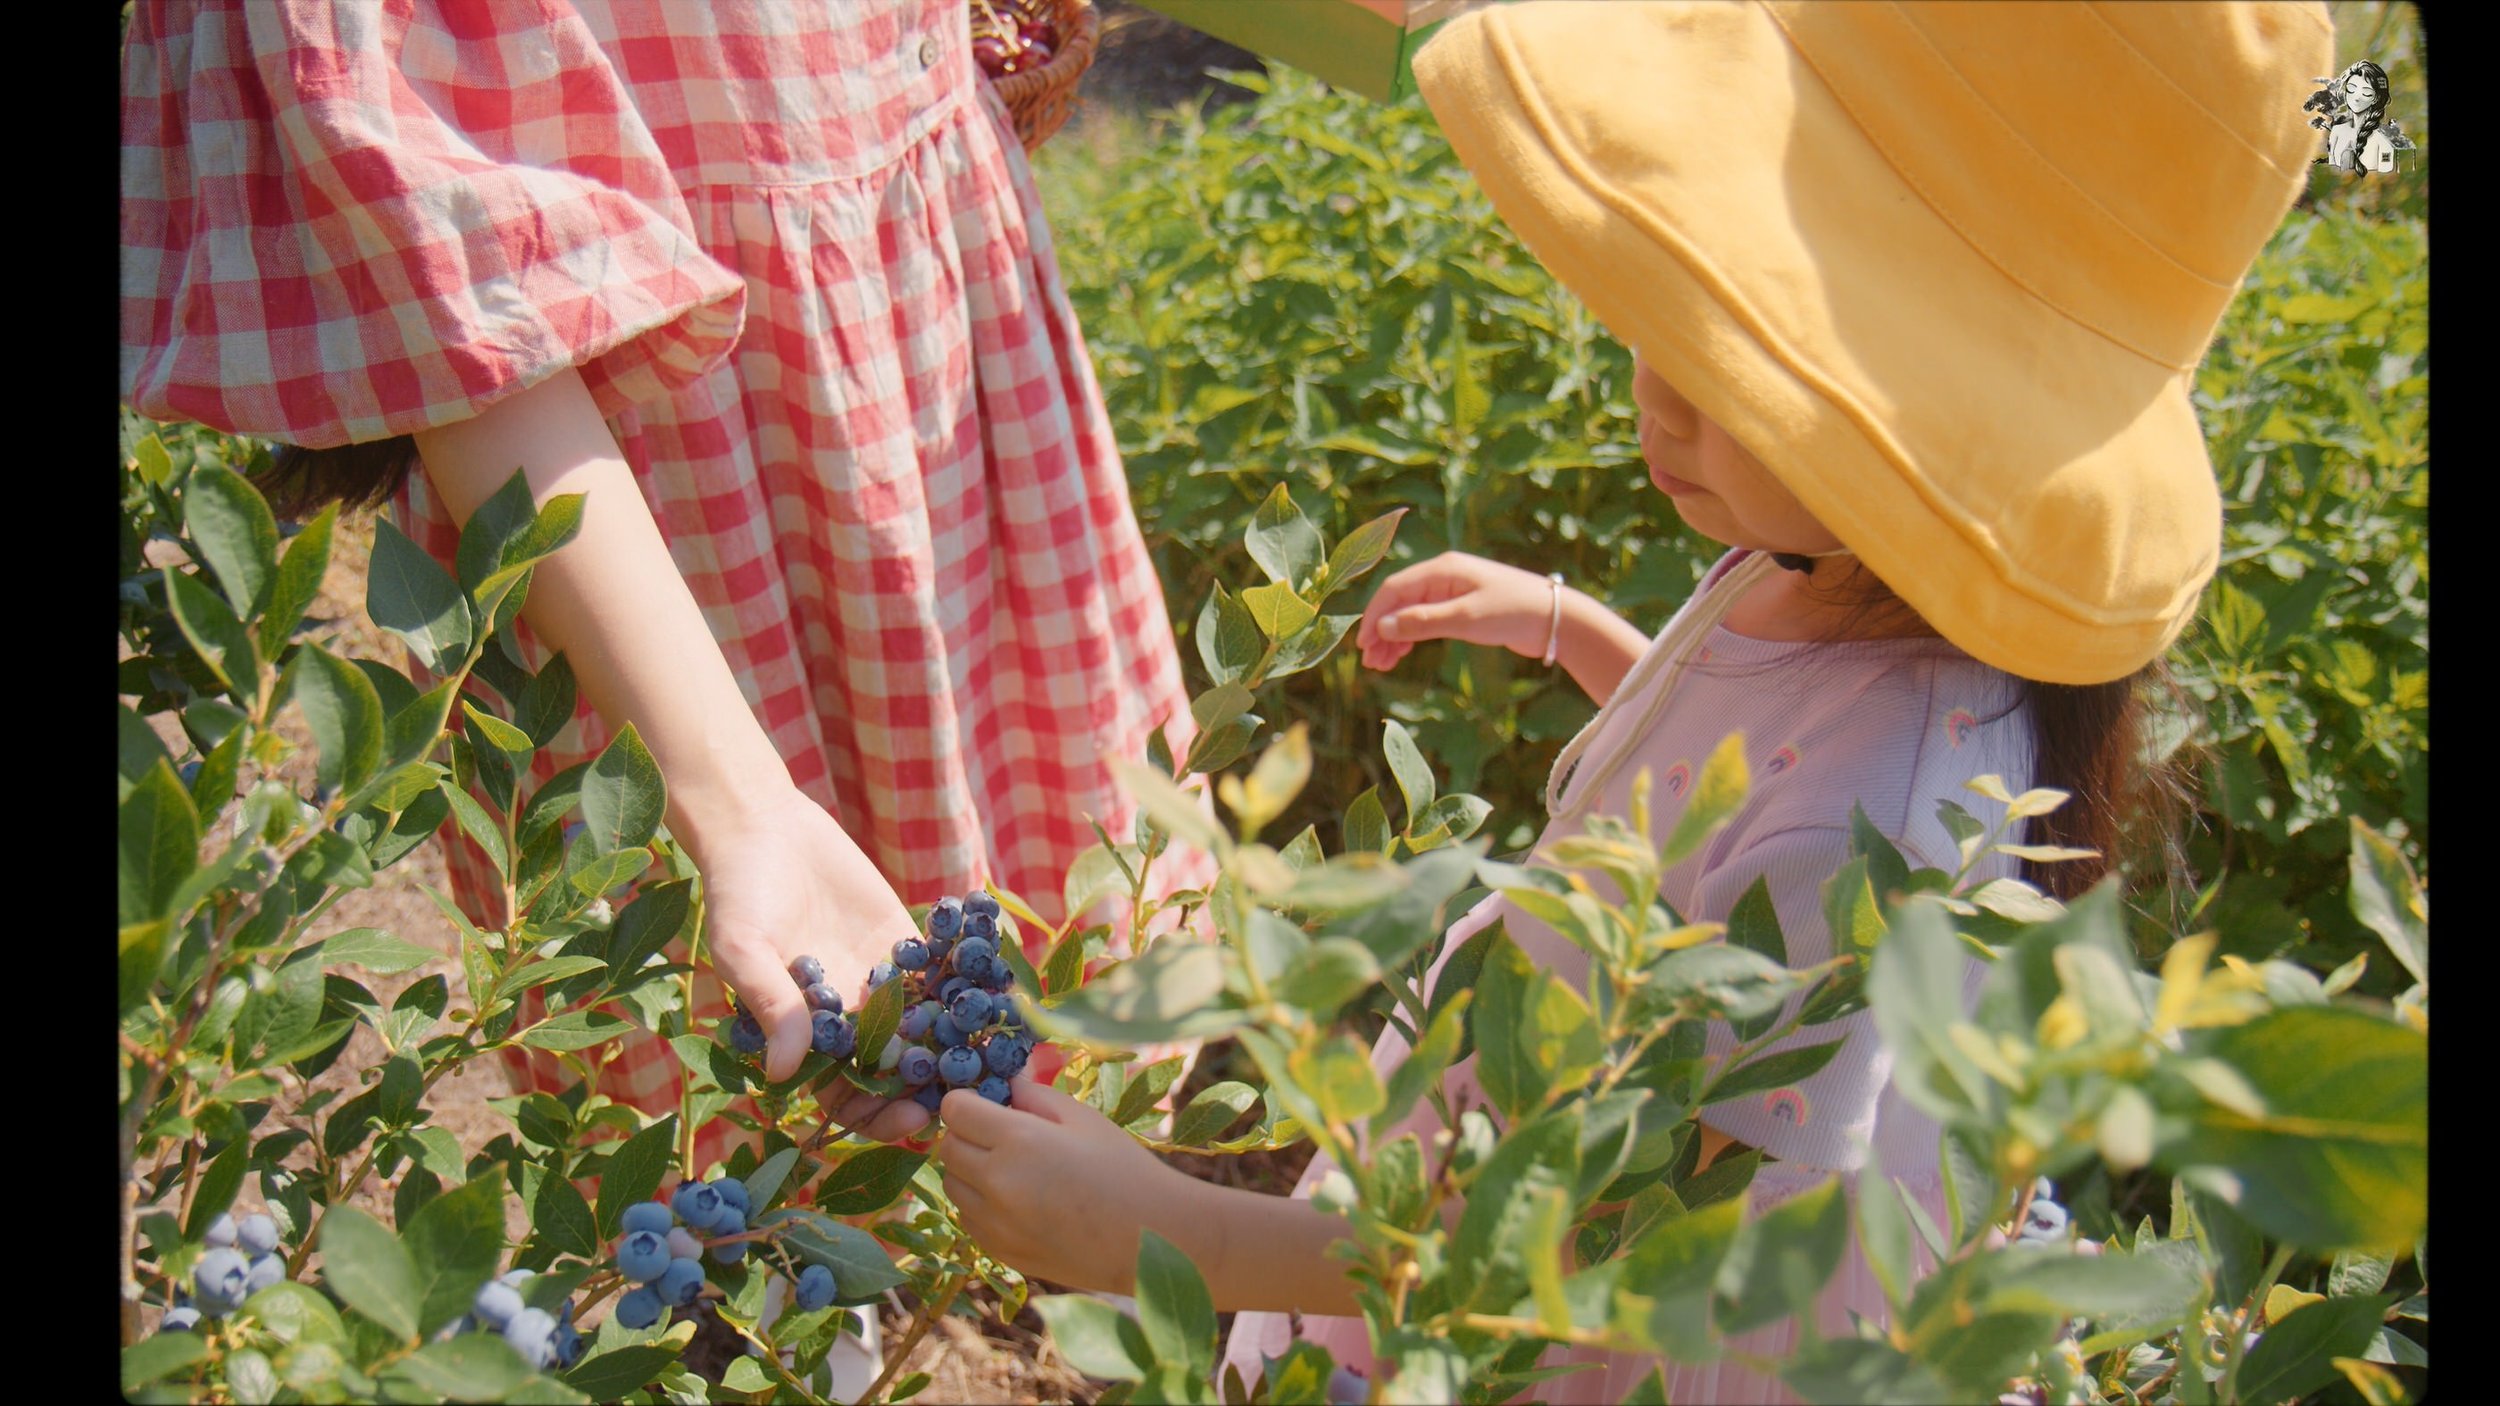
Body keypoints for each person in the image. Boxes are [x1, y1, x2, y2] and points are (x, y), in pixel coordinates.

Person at [930, 2, 2330, 1401]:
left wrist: (1177, 1231)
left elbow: (1625, 1244)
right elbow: (1738, 776)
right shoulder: (1841, 572)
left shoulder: (1875, 827)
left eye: (1741, 358)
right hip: (1515, 1150)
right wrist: (1583, 632)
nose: (1659, 395)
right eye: (1674, 314)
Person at [120, 1, 1210, 1170]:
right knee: (732, 1081)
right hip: (631, 495)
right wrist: (745, 811)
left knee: (1023, 849)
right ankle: (789, 1297)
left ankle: (1014, 1208)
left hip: (922, 294)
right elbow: (437, 267)